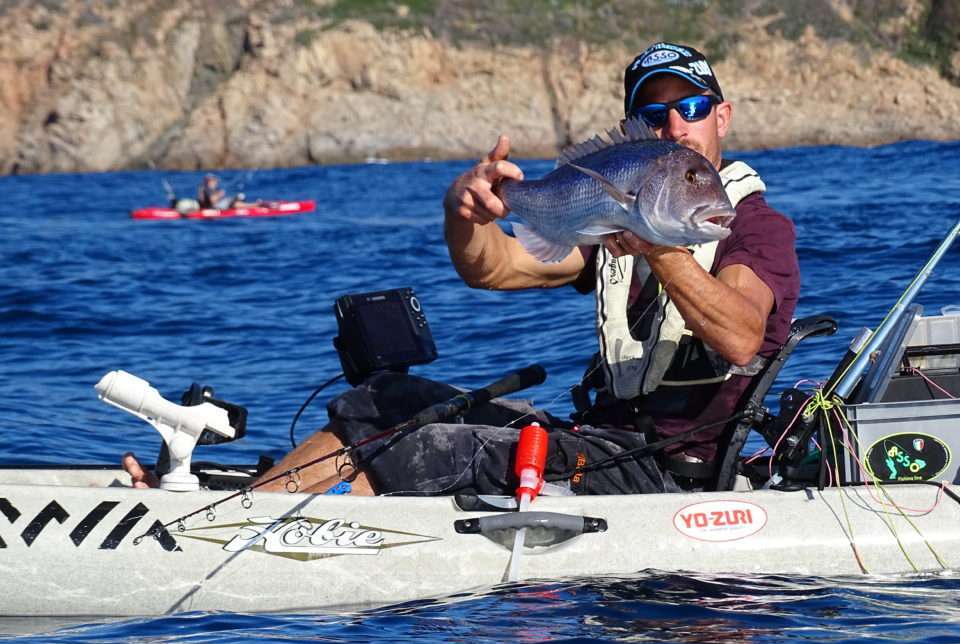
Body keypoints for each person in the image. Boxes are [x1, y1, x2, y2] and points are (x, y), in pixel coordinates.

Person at [124, 42, 799, 495]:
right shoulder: (614, 228)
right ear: (635, 127)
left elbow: (740, 335)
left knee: (440, 446)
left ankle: (282, 541)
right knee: (382, 401)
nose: (675, 126)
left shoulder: (754, 227)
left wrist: (657, 244)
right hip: (597, 442)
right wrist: (463, 211)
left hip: (669, 472)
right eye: (655, 114)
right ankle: (249, 510)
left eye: (692, 108)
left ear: (722, 116)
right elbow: (497, 268)